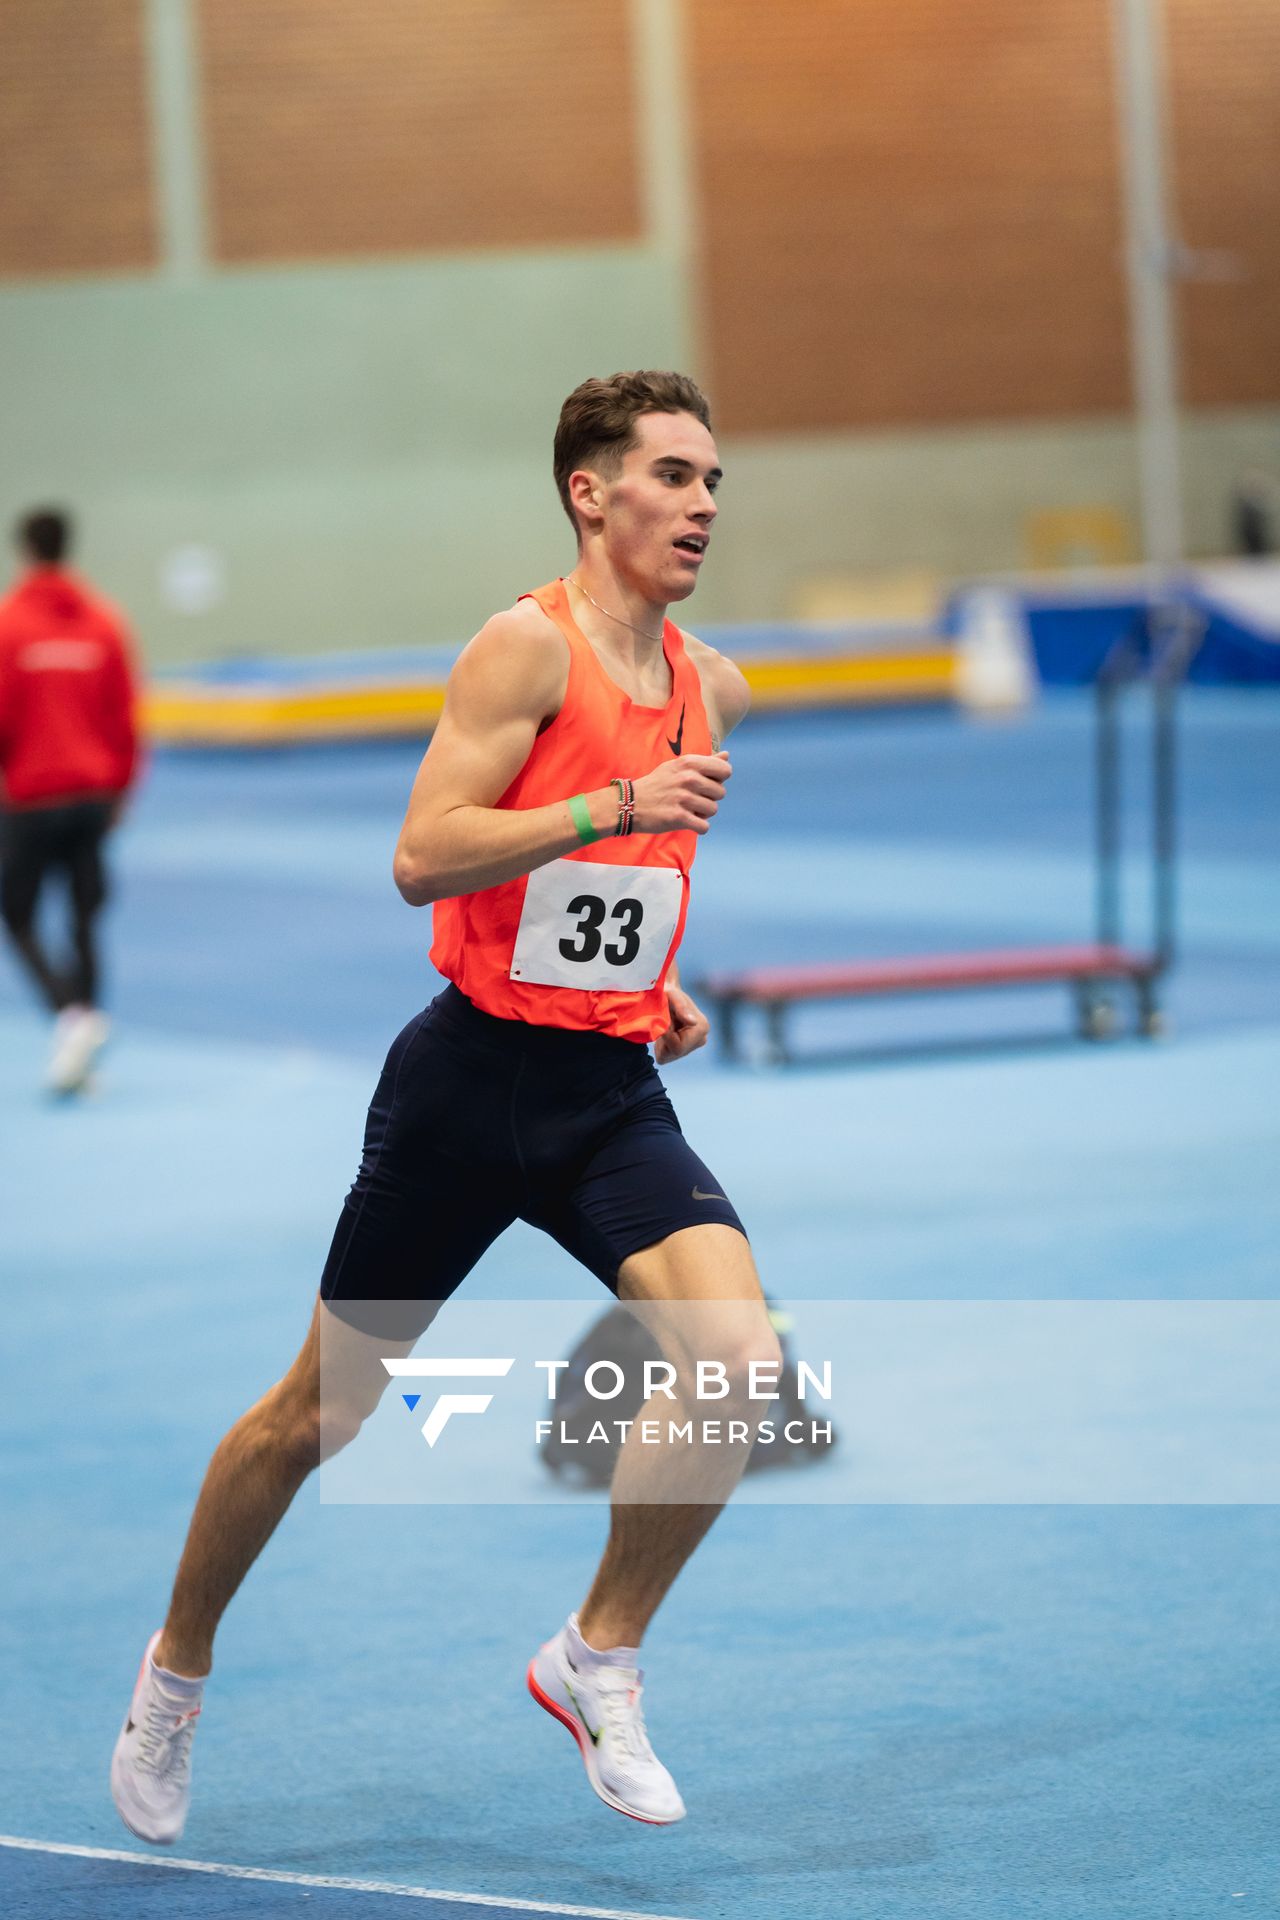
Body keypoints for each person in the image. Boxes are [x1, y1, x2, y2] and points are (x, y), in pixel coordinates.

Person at [110, 370, 780, 1842]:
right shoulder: (519, 651)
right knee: (315, 1418)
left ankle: (596, 1657)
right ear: (590, 495)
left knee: (739, 1364)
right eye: (673, 476)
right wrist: (613, 808)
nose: (705, 505)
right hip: (466, 1092)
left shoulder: (713, 686)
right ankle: (174, 1675)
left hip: (607, 1094)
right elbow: (427, 855)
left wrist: (654, 987)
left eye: (715, 480)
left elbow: (622, 894)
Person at [0, 508, 140, 1093]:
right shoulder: (103, 621)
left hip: (32, 797)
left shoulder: (9, 625)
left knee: (18, 913)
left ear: (26, 550)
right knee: (84, 919)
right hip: (91, 796)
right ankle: (81, 1038)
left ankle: (71, 1017)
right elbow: (124, 716)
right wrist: (121, 788)